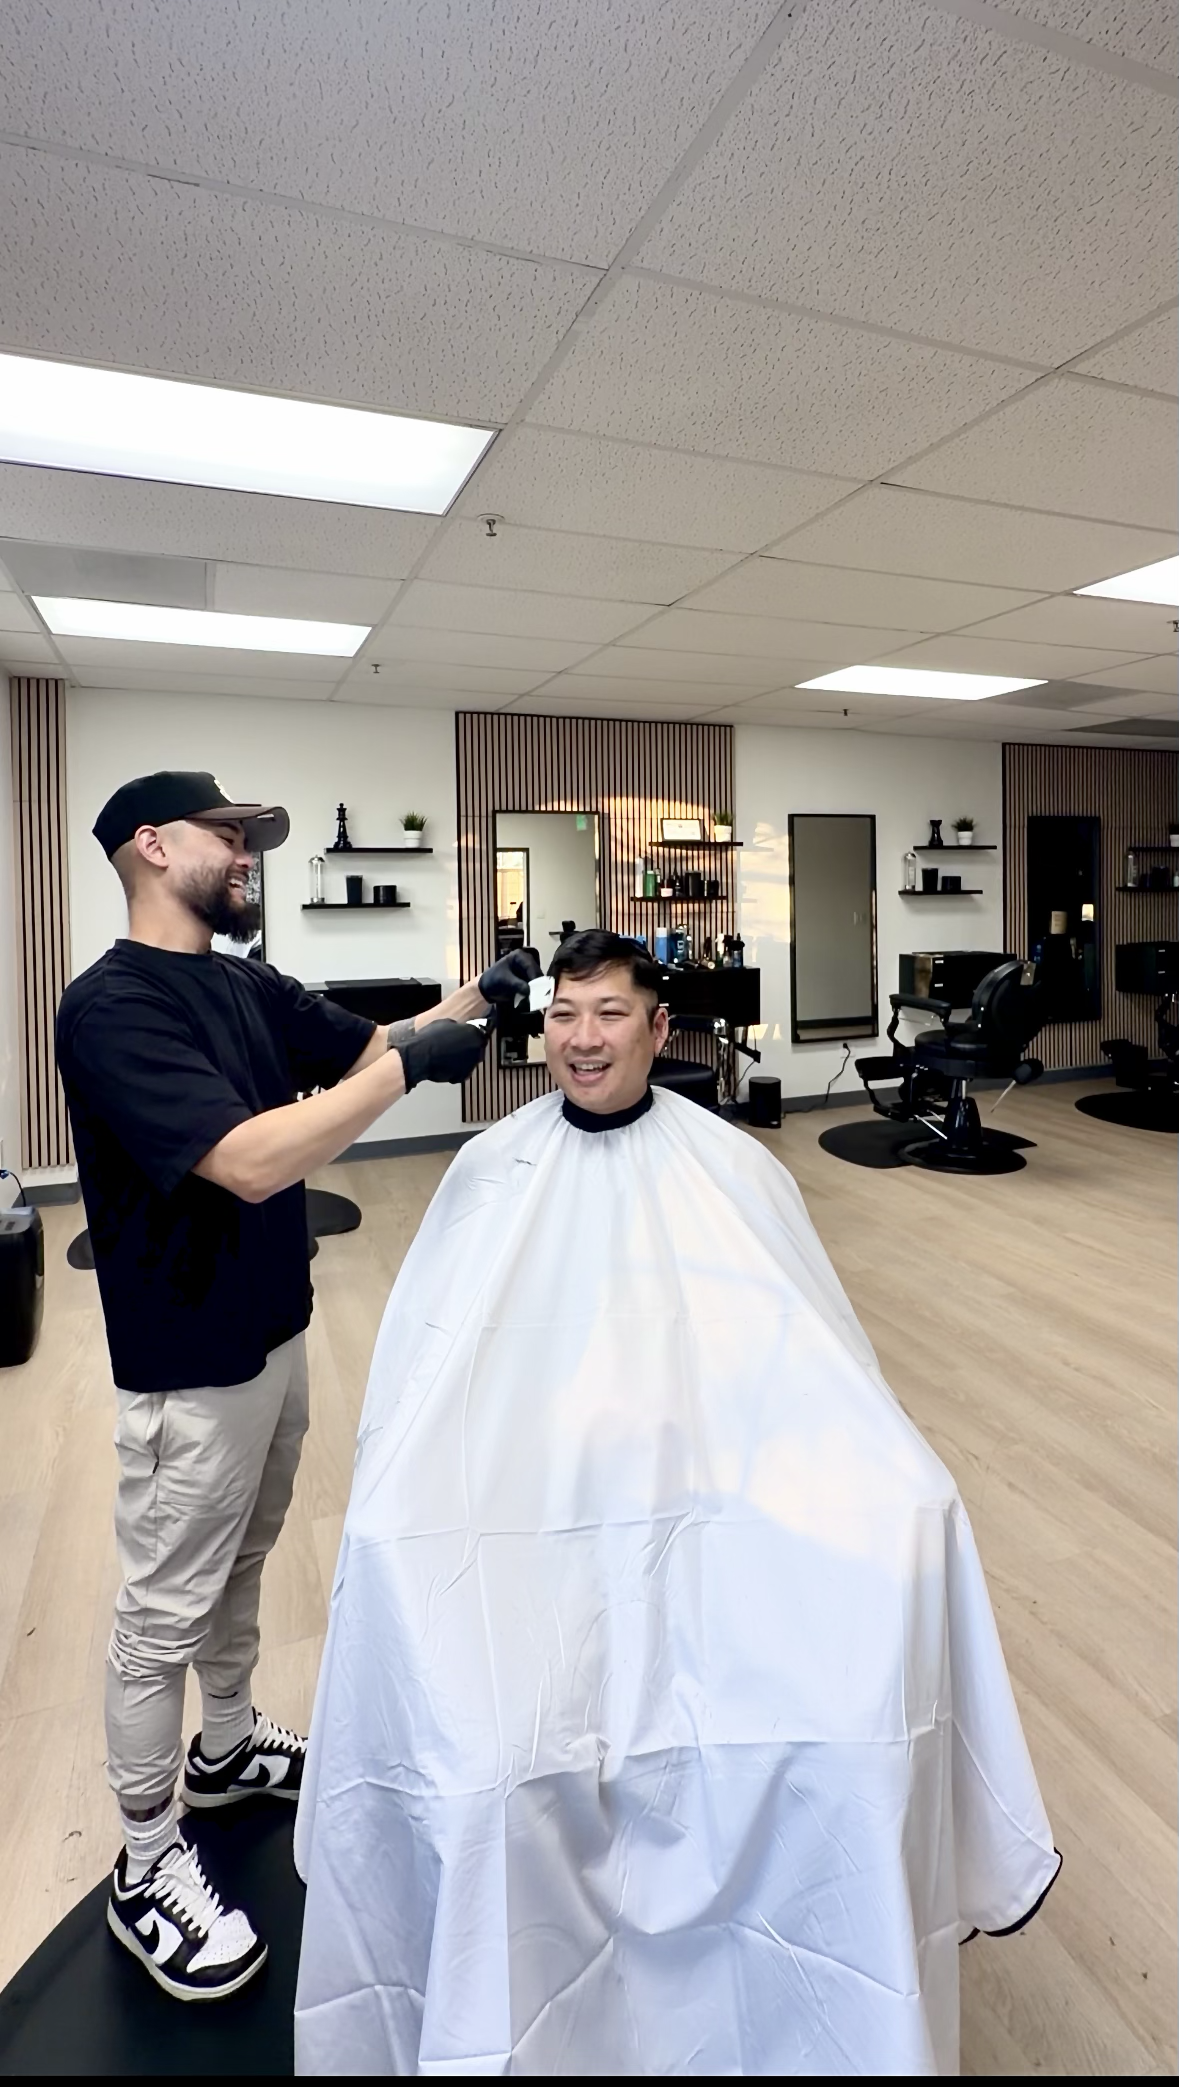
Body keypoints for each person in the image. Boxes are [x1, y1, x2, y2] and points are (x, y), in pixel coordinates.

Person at [293, 928, 1059, 2076]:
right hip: (530, 1504)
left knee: (905, 1519)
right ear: (535, 1031)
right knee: (477, 1686)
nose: (582, 1037)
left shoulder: (737, 1169)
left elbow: (810, 1361)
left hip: (707, 1484)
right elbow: (431, 1379)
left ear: (661, 1027)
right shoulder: (487, 1172)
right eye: (564, 1015)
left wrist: (899, 1484)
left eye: (611, 1013)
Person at [55, 770, 537, 2004]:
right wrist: (407, 1068)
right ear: (154, 847)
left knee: (248, 1557)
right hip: (189, 1358)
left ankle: (222, 1749)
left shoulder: (245, 977)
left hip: (274, 1330)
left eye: (256, 835)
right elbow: (251, 1161)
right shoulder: (108, 1007)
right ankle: (149, 1860)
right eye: (231, 834)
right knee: (164, 1608)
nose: (248, 851)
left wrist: (485, 991)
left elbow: (374, 1045)